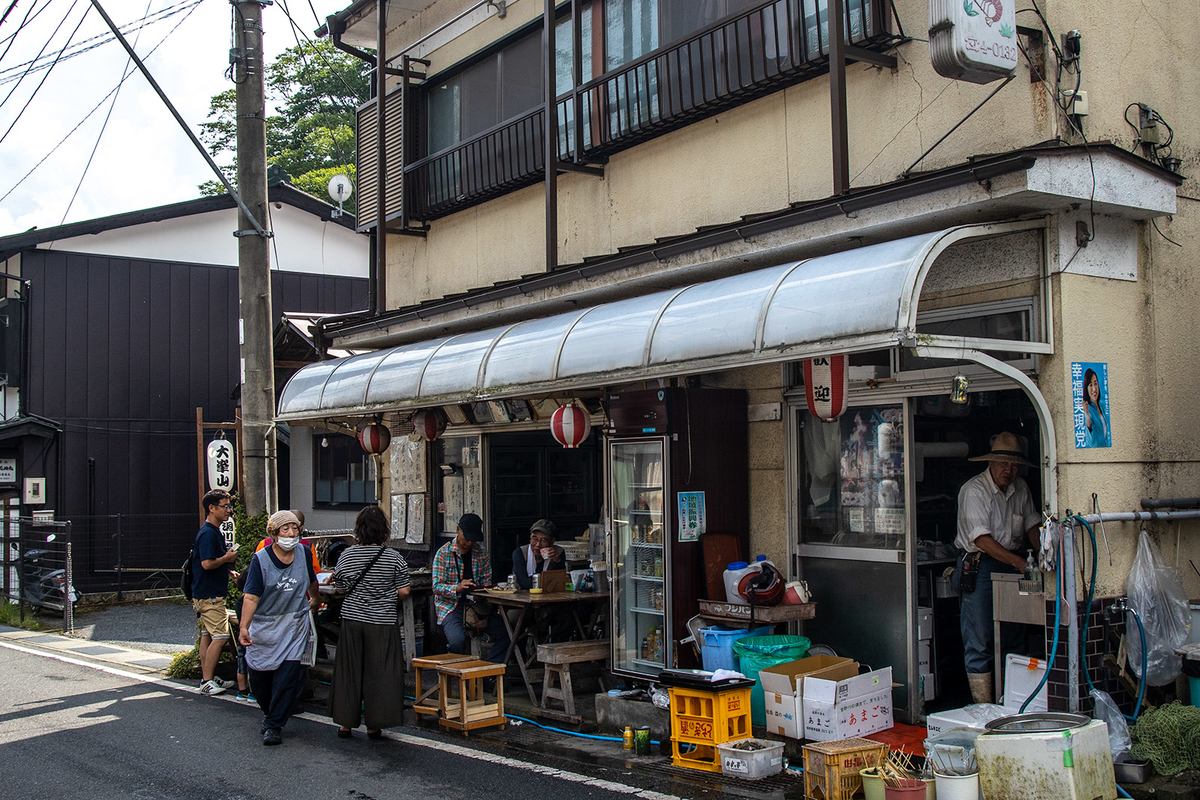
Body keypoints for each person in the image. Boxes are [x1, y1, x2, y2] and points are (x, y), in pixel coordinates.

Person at [953, 432, 1042, 704]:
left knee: (1015, 635)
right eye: (1003, 463)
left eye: (1014, 465)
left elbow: (1032, 526)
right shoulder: (974, 491)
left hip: (1013, 564)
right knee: (980, 639)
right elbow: (981, 539)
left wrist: (1044, 552)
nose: (1009, 470)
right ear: (990, 463)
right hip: (980, 566)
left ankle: (1014, 702)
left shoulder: (1021, 488)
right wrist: (1018, 562)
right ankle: (984, 708)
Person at [239, 510, 320, 746]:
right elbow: (251, 596)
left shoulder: (304, 553)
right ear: (274, 534)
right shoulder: (261, 560)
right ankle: (269, 713)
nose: (291, 534)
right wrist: (244, 626)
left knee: (287, 677)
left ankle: (274, 726)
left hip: (294, 624)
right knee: (260, 679)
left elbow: (311, 580)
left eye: (295, 529)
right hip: (264, 625)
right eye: (286, 529)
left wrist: (314, 599)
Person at [330, 505, 411, 739]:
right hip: (382, 621)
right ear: (384, 530)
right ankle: (376, 724)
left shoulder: (346, 555)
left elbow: (341, 587)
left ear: (360, 529)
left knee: (349, 670)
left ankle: (345, 724)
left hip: (352, 619)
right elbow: (404, 590)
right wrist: (386, 595)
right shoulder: (394, 557)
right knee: (381, 672)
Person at [432, 513, 509, 662]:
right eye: (467, 538)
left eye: (473, 539)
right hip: (451, 607)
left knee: (507, 633)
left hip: (477, 605)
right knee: (457, 641)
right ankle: (461, 678)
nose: (470, 543)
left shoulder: (481, 553)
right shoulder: (443, 553)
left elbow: (487, 581)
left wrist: (483, 591)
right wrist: (457, 588)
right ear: (457, 530)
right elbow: (436, 587)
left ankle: (488, 673)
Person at [191, 488, 239, 696]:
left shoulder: (210, 530)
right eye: (225, 506)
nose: (228, 510)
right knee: (220, 636)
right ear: (212, 508)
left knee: (207, 635)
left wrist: (227, 570)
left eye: (229, 506)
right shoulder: (209, 533)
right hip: (210, 595)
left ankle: (207, 676)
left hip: (205, 592)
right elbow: (207, 563)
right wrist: (227, 559)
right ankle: (207, 681)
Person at [511, 518, 565, 590]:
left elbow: (558, 582)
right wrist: (546, 585)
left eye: (543, 540)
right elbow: (523, 582)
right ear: (530, 538)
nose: (538, 544)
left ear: (552, 541)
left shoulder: (558, 552)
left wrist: (557, 562)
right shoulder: (520, 553)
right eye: (535, 539)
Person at [1083, 368, 1109, 447]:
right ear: (1086, 388)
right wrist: (1087, 414)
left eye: (1095, 383)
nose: (1094, 389)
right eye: (1090, 385)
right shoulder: (1088, 409)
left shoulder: (1102, 405)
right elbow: (1090, 440)